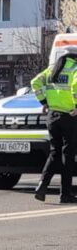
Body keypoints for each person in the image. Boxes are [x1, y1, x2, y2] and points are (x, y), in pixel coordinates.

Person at [31, 46, 77, 203]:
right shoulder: (74, 68)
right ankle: (65, 194)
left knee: (54, 152)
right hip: (69, 116)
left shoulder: (52, 69)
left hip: (52, 117)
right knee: (68, 155)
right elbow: (76, 87)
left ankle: (41, 187)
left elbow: (35, 83)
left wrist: (43, 101)